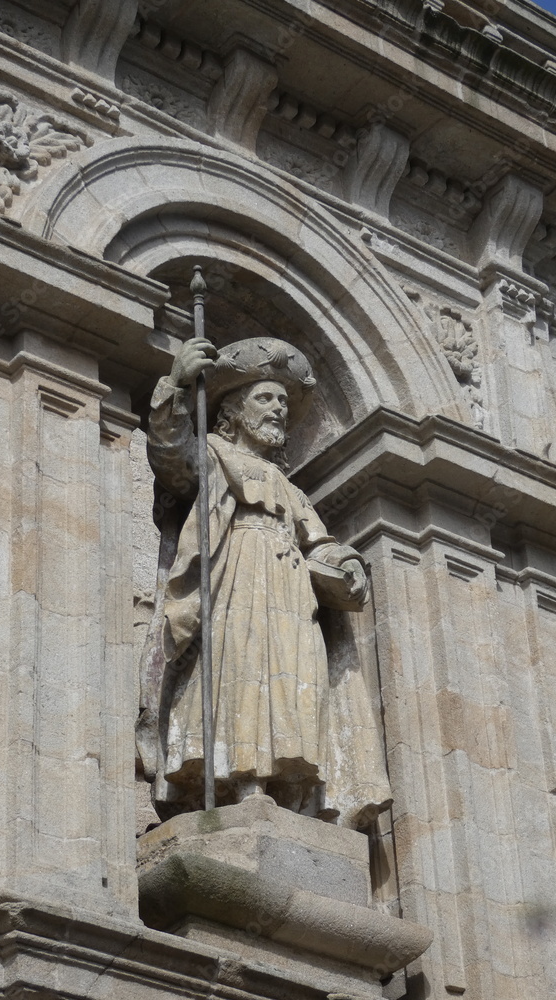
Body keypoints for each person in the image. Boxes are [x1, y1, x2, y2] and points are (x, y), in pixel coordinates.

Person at [136, 335, 392, 827]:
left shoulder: (289, 487)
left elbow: (318, 541)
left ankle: (286, 791)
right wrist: (177, 384)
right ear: (233, 410)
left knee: (293, 684)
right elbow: (171, 455)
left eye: (282, 401)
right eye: (265, 398)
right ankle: (239, 785)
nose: (277, 409)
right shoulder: (213, 454)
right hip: (236, 583)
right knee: (239, 673)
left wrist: (346, 562)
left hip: (291, 593)